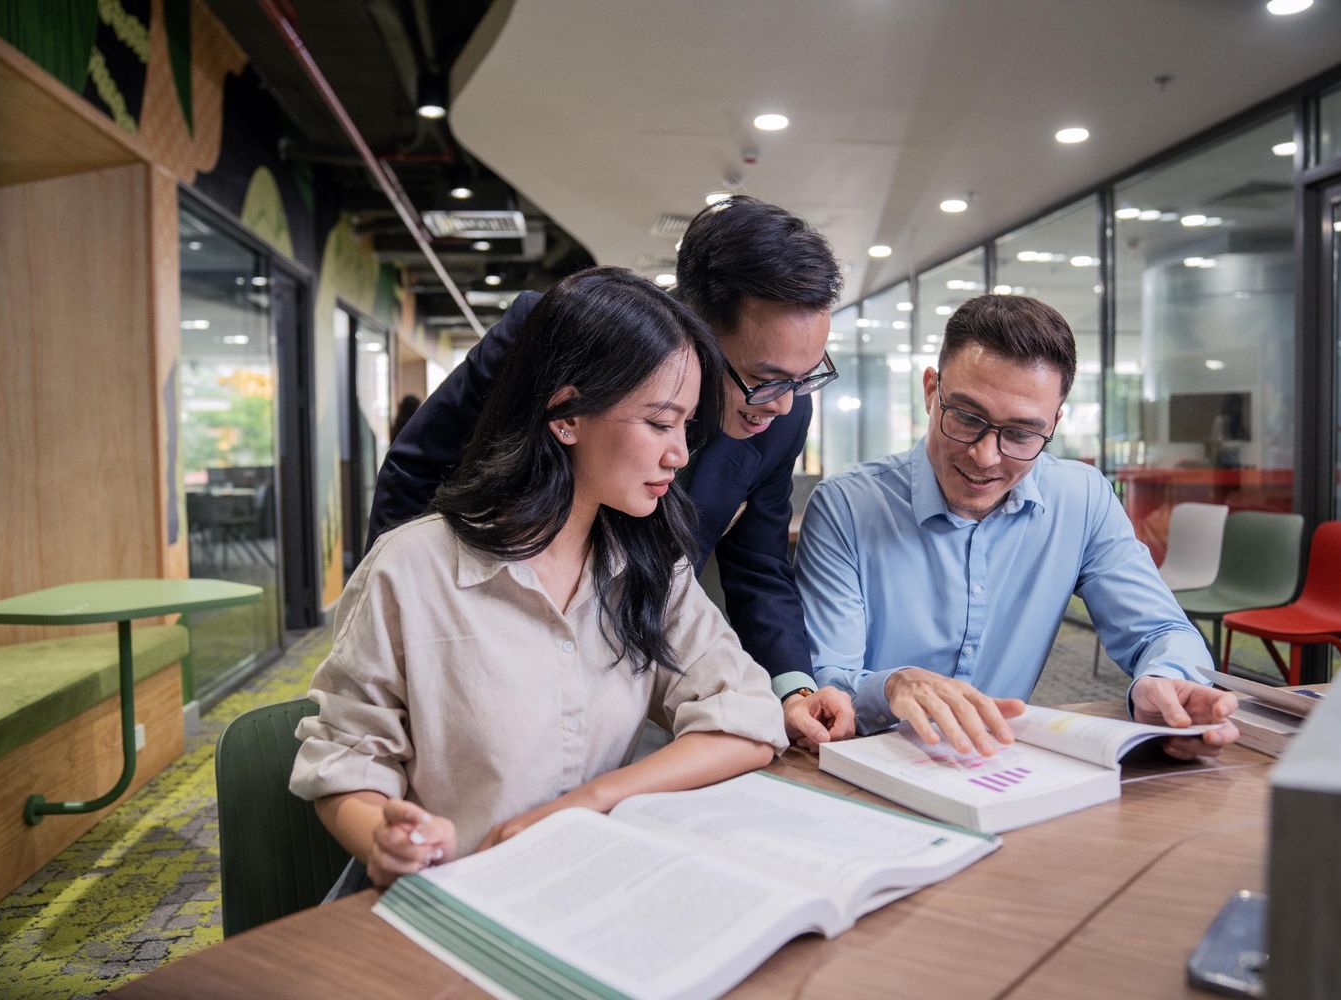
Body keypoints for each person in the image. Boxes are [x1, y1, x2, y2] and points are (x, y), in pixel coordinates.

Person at [291, 269, 788, 888]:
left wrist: (590, 801)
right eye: (659, 424)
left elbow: (748, 719)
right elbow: (345, 761)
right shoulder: (410, 569)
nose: (680, 455)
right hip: (452, 897)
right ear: (565, 413)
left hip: (588, 888)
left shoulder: (648, 566)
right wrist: (386, 840)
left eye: (686, 427)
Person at [368, 196, 855, 749]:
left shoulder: (784, 413)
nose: (785, 405)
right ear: (697, 330)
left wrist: (790, 689)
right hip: (491, 631)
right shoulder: (559, 333)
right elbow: (418, 471)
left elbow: (758, 563)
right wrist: (396, 633)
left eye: (805, 378)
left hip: (634, 655)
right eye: (766, 379)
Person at [795, 294, 1240, 761]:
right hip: (869, 763)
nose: (985, 456)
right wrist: (891, 686)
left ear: (1054, 424)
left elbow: (1160, 630)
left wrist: (1167, 680)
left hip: (1003, 765)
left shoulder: (1082, 497)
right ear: (931, 391)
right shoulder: (847, 504)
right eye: (966, 418)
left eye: (1022, 434)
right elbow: (828, 680)